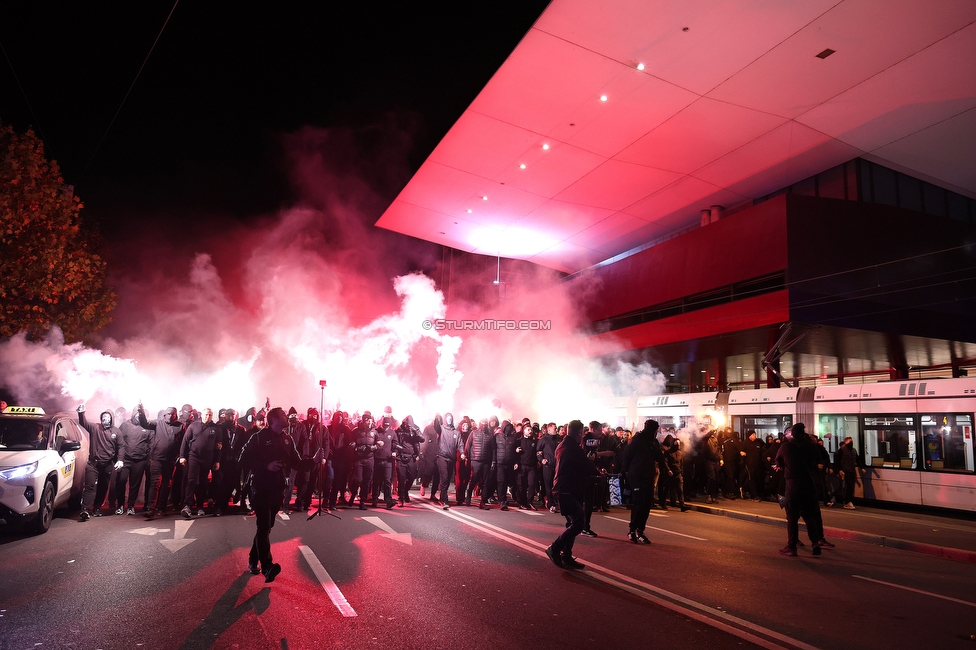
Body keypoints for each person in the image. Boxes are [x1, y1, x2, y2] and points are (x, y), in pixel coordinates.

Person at [238, 406, 301, 583]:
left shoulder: (288, 439)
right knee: (264, 526)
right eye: (282, 415)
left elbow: (297, 463)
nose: (286, 416)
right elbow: (243, 460)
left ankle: (252, 559)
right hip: (260, 487)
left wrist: (314, 461)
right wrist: (265, 465)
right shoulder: (258, 438)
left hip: (277, 488)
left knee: (267, 527)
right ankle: (267, 566)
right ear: (273, 420)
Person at [545, 420, 601, 570]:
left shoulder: (565, 445)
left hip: (567, 488)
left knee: (572, 522)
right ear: (578, 433)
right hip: (566, 489)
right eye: (582, 433)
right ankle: (555, 548)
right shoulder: (572, 448)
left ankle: (566, 555)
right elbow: (585, 464)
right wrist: (597, 470)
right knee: (578, 523)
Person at [774, 424, 830, 556]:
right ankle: (815, 543)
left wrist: (782, 466)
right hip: (809, 484)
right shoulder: (811, 446)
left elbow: (778, 462)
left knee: (792, 517)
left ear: (792, 434)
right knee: (809, 516)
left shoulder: (786, 446)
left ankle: (792, 546)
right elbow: (817, 460)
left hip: (793, 484)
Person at [138, 404, 183, 519]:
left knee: (167, 484)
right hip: (157, 458)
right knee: (155, 483)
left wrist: (180, 455)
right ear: (164, 415)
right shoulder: (158, 423)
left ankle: (161, 507)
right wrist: (141, 412)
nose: (170, 416)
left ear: (175, 415)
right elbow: (145, 423)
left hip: (171, 460)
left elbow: (183, 442)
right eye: (168, 414)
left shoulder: (180, 426)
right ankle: (150, 508)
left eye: (172, 414)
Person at [77, 405, 121, 520]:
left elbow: (121, 446)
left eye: (107, 417)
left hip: (107, 465)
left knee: (103, 487)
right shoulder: (95, 427)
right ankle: (85, 510)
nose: (105, 419)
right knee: (90, 486)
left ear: (111, 419)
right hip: (93, 464)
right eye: (103, 416)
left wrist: (120, 460)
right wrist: (81, 413)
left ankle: (97, 508)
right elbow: (84, 423)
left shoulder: (116, 432)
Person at [622, 419, 662, 544]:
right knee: (638, 503)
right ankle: (632, 530)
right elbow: (626, 457)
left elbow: (659, 457)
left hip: (648, 476)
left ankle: (640, 530)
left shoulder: (652, 442)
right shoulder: (636, 440)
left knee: (646, 504)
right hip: (636, 477)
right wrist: (627, 472)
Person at [178, 408, 223, 518]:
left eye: (210, 415)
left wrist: (217, 460)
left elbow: (219, 447)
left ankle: (200, 506)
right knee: (191, 480)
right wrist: (182, 456)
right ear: (202, 414)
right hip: (194, 457)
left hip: (207, 459)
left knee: (203, 482)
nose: (208, 416)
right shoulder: (193, 425)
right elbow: (185, 440)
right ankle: (187, 506)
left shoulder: (216, 428)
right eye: (206, 414)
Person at [115, 406, 152, 515]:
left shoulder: (148, 427)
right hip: (126, 459)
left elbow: (151, 443)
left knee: (135, 484)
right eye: (136, 414)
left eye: (140, 414)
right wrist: (119, 458)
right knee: (121, 481)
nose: (137, 416)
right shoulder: (125, 426)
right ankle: (120, 505)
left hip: (140, 460)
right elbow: (119, 442)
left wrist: (147, 458)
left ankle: (131, 506)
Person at [464, 415, 495, 509]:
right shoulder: (473, 433)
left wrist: (493, 460)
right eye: (483, 422)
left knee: (485, 482)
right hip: (476, 460)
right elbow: (467, 446)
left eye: (486, 422)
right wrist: (466, 458)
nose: (484, 424)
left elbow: (493, 449)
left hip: (486, 461)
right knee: (475, 478)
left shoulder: (490, 435)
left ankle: (483, 502)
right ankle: (469, 493)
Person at [435, 412, 462, 509]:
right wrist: (437, 418)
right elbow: (436, 426)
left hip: (451, 458)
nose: (449, 419)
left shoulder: (456, 432)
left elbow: (460, 444)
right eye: (448, 418)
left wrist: (462, 453)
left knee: (447, 478)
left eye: (451, 418)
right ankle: (444, 500)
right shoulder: (441, 429)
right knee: (444, 478)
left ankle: (442, 496)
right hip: (441, 457)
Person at [834, 436, 864, 509]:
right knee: (847, 486)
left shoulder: (853, 450)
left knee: (850, 487)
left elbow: (857, 459)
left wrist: (862, 467)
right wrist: (839, 470)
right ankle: (846, 502)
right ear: (846, 442)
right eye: (850, 441)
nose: (851, 443)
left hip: (851, 471)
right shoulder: (842, 450)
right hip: (845, 471)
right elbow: (837, 461)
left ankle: (848, 501)